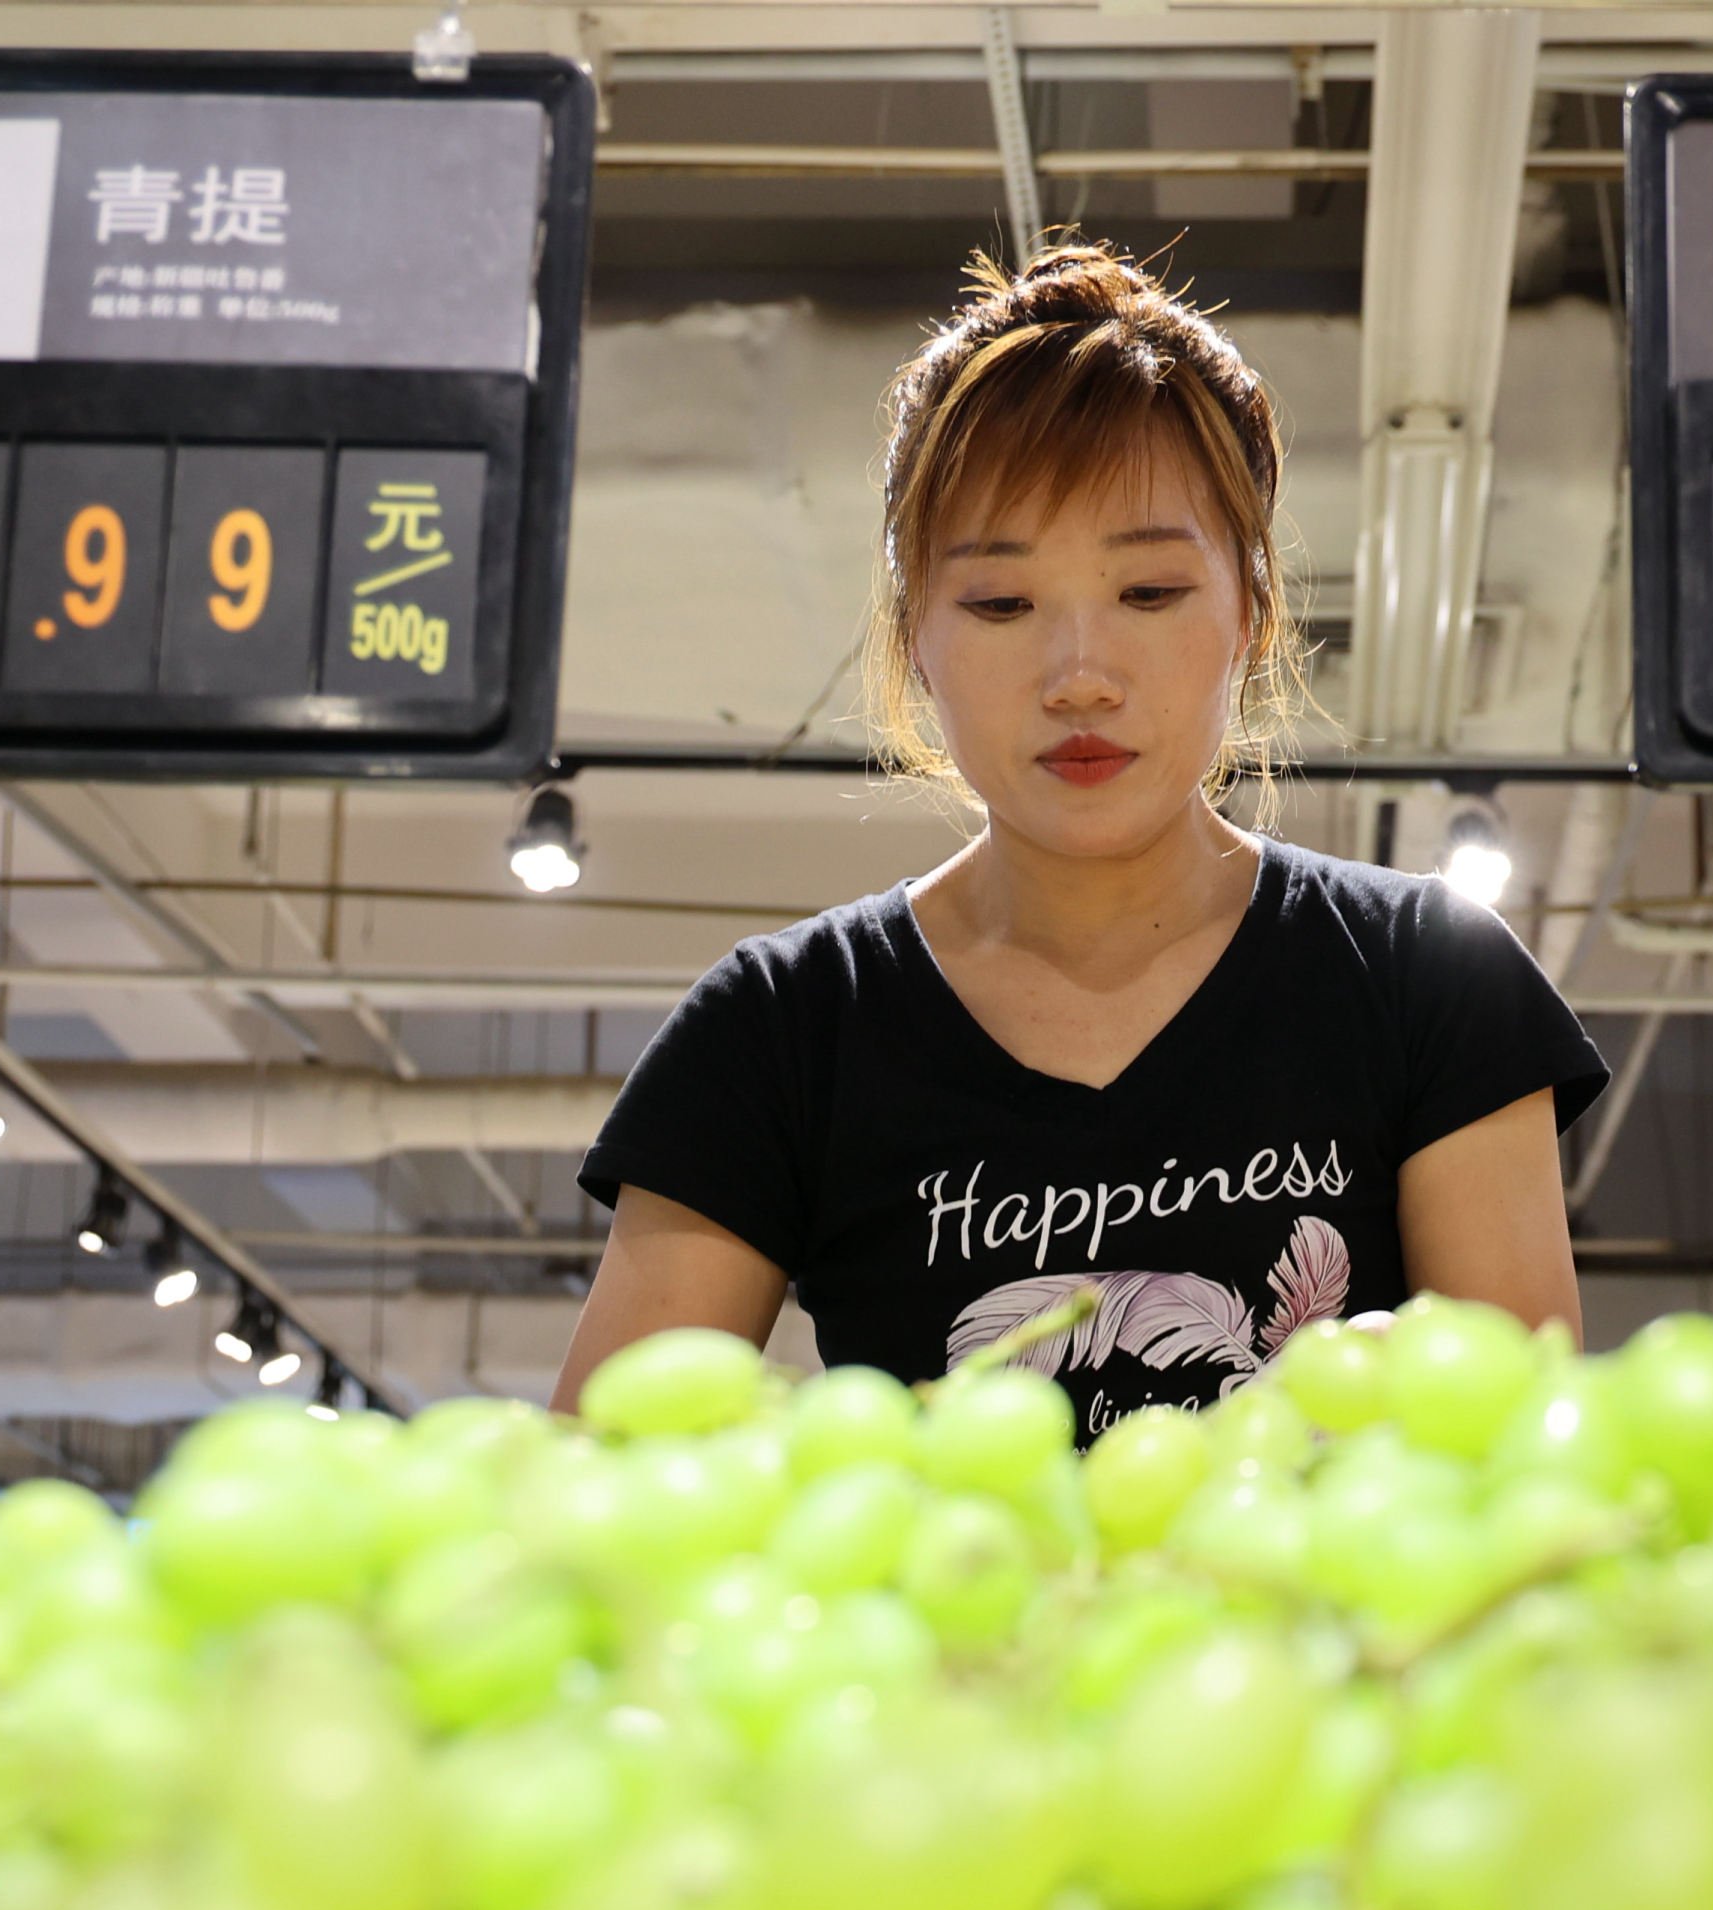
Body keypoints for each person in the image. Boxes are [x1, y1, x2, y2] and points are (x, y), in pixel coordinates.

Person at [560, 244, 1607, 1428]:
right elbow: (596, 1489)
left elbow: (1527, 1472)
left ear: (1253, 614)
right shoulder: (781, 1030)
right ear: (916, 642)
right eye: (1002, 605)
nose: (1080, 677)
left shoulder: (1430, 980)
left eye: (1149, 594)